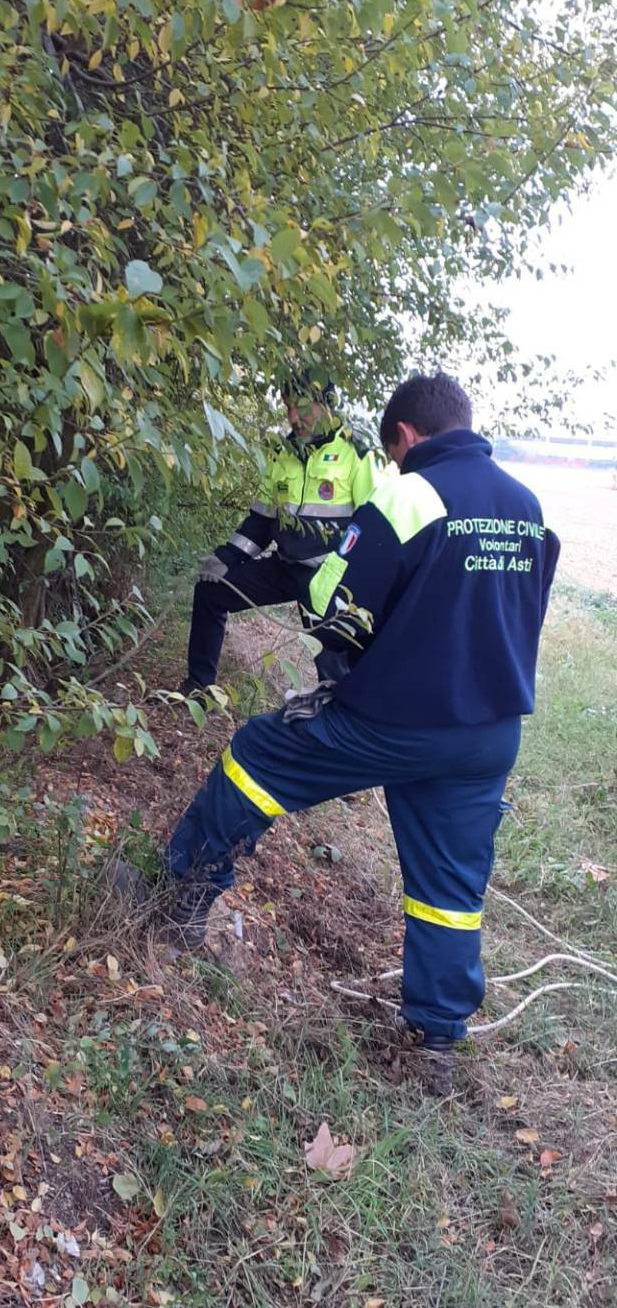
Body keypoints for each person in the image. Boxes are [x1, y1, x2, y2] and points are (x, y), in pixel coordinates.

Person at [126, 372, 560, 1094]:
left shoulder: (408, 492)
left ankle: (181, 898)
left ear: (406, 437)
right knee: (448, 889)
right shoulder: (527, 507)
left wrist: (349, 647)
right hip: (488, 737)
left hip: (395, 720)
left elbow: (332, 604)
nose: (391, 463)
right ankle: (437, 1043)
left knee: (255, 758)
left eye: (393, 453)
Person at [178, 374, 380, 693]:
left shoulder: (356, 452)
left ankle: (339, 730)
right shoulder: (282, 453)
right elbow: (261, 521)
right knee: (210, 592)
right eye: (287, 408)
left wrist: (355, 583)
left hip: (327, 578)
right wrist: (225, 557)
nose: (292, 418)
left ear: (326, 405)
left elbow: (372, 528)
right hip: (283, 567)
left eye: (300, 407)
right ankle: (198, 691)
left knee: (334, 670)